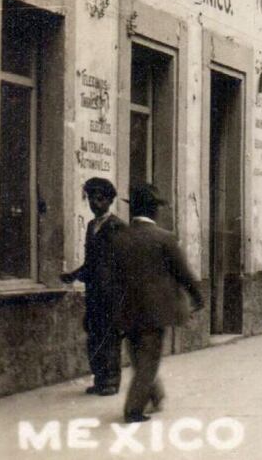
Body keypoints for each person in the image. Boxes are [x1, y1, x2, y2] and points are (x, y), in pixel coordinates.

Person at [114, 184, 204, 422]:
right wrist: (197, 297)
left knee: (137, 355)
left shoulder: (119, 236)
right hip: (156, 310)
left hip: (127, 308)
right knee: (149, 359)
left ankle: (155, 394)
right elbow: (183, 273)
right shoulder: (165, 238)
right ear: (154, 211)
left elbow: (109, 276)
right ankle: (133, 409)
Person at [61, 178, 127, 396]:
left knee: (110, 338)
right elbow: (91, 263)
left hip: (111, 295)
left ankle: (111, 381)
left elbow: (122, 265)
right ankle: (99, 379)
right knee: (94, 336)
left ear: (109, 200)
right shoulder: (91, 226)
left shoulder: (117, 227)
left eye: (99, 199)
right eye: (90, 198)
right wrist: (74, 275)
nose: (94, 203)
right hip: (94, 294)